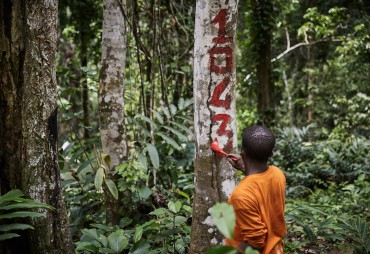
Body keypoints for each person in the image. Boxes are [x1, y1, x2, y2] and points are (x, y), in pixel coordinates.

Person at [226, 125, 286, 254]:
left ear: (242, 152)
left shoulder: (241, 195)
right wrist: (245, 167)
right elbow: (261, 183)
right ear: (271, 153)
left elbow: (255, 241)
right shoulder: (278, 174)